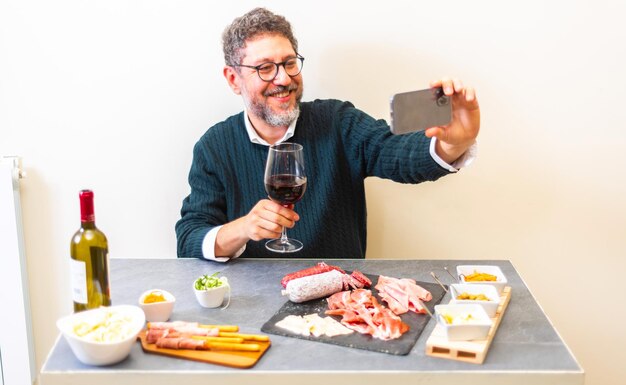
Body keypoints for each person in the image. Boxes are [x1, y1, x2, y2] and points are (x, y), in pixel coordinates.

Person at [176, 7, 480, 261]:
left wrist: (453, 143)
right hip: (251, 309)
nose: (283, 79)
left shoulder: (337, 121)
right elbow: (189, 239)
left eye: (289, 63)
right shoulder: (213, 147)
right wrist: (243, 229)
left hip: (339, 305)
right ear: (233, 78)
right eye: (265, 68)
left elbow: (397, 154)